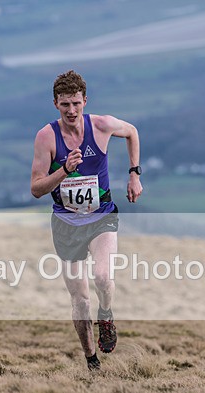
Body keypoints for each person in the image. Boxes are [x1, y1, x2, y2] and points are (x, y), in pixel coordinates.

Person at [30, 69, 143, 371]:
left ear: (85, 101)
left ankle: (106, 314)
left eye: (76, 104)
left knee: (103, 277)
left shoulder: (102, 126)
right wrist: (64, 170)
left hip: (101, 217)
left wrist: (134, 174)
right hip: (66, 226)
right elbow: (36, 189)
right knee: (79, 299)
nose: (71, 110)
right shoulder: (46, 137)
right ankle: (91, 360)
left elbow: (132, 131)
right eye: (65, 104)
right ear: (55, 104)